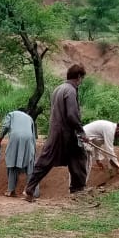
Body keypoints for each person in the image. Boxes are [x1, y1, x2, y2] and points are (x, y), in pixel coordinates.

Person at [24, 64, 87, 203]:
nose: (81, 81)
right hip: (66, 134)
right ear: (78, 77)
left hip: (55, 131)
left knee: (46, 161)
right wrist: (81, 131)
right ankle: (78, 191)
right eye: (82, 78)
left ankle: (30, 187)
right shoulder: (70, 90)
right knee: (80, 158)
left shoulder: (59, 88)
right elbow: (72, 115)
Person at [0, 109, 37, 197]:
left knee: (12, 161)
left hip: (15, 137)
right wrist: (33, 151)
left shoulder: (11, 114)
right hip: (28, 139)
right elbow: (33, 136)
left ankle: (11, 190)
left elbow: (5, 126)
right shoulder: (29, 118)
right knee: (30, 164)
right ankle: (32, 192)